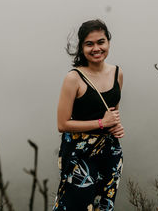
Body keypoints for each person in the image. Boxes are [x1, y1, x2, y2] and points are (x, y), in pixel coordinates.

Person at [53, 19, 124, 211]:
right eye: (89, 44)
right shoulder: (73, 78)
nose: (96, 48)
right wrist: (102, 123)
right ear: (81, 47)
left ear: (108, 42)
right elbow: (62, 124)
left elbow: (113, 112)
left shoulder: (117, 73)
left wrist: (115, 125)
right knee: (75, 206)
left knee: (104, 206)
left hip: (110, 151)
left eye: (101, 42)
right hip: (80, 153)